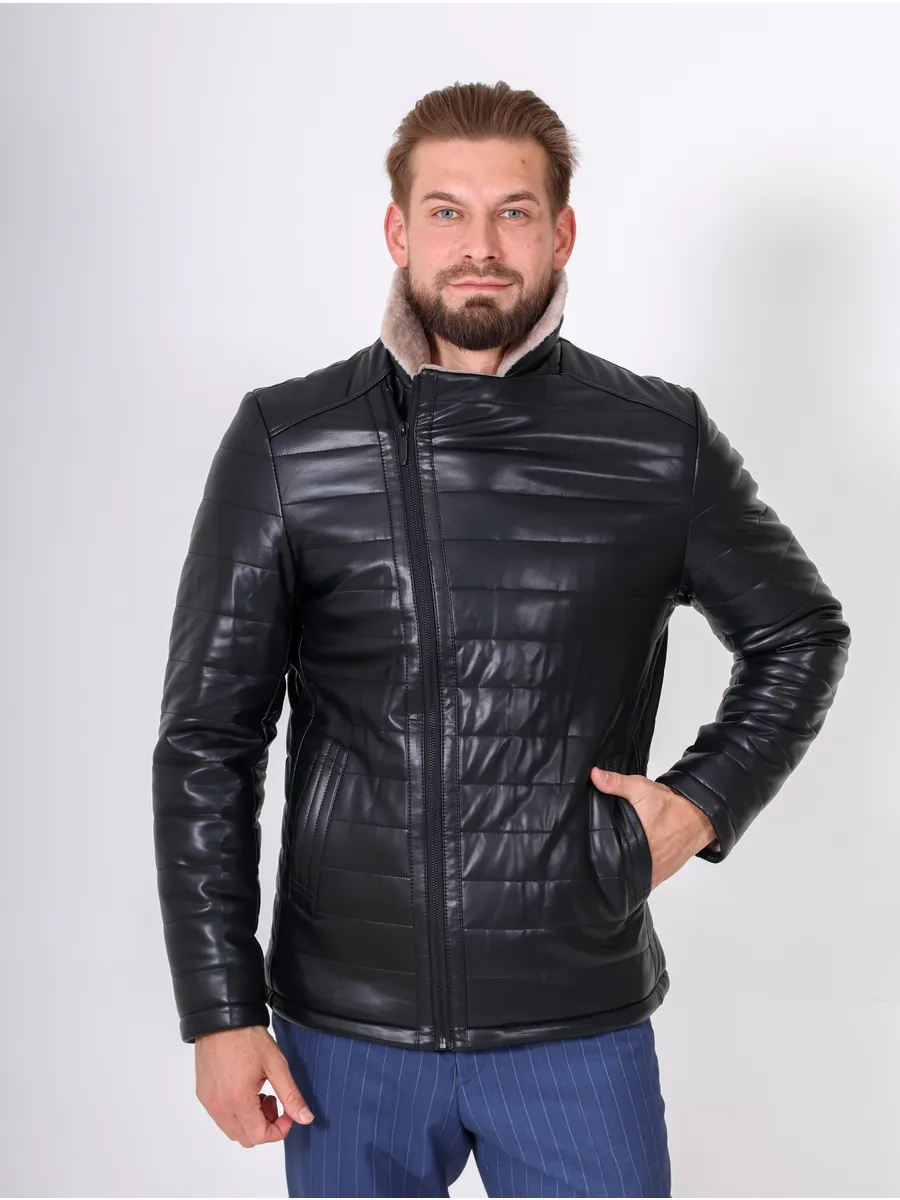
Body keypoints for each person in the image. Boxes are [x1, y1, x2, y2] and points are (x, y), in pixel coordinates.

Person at [151, 80, 851, 1199]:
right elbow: (207, 742)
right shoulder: (290, 439)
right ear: (399, 230)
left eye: (513, 212)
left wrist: (703, 803)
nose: (479, 246)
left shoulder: (654, 438)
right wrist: (220, 1010)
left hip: (577, 1019)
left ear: (561, 233)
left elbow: (801, 632)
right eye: (447, 211)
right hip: (348, 1030)